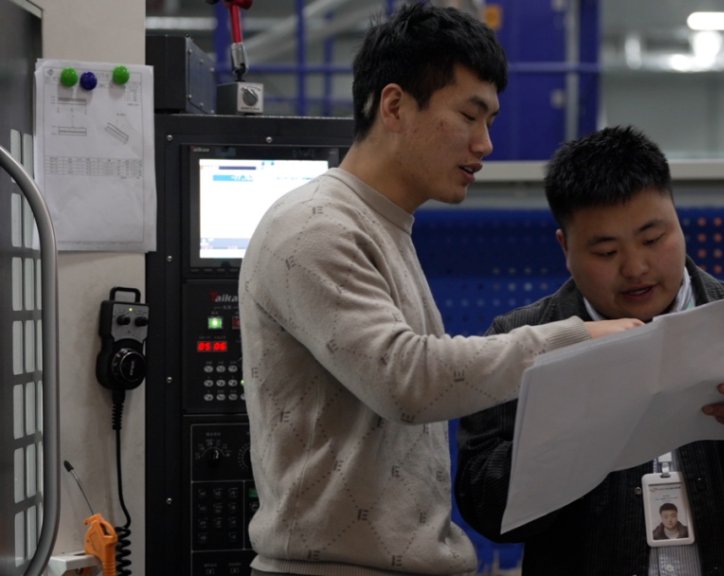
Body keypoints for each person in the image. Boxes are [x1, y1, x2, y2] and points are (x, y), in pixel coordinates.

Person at [238, 5, 640, 576]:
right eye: (469, 116)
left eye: (490, 121)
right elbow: (406, 380)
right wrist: (576, 340)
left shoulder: (382, 226)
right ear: (395, 106)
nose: (486, 144)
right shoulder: (314, 228)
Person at [455, 126, 724, 575]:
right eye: (606, 252)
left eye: (653, 239)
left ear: (677, 218)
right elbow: (486, 513)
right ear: (566, 247)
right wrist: (565, 434)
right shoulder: (521, 343)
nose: (635, 268)